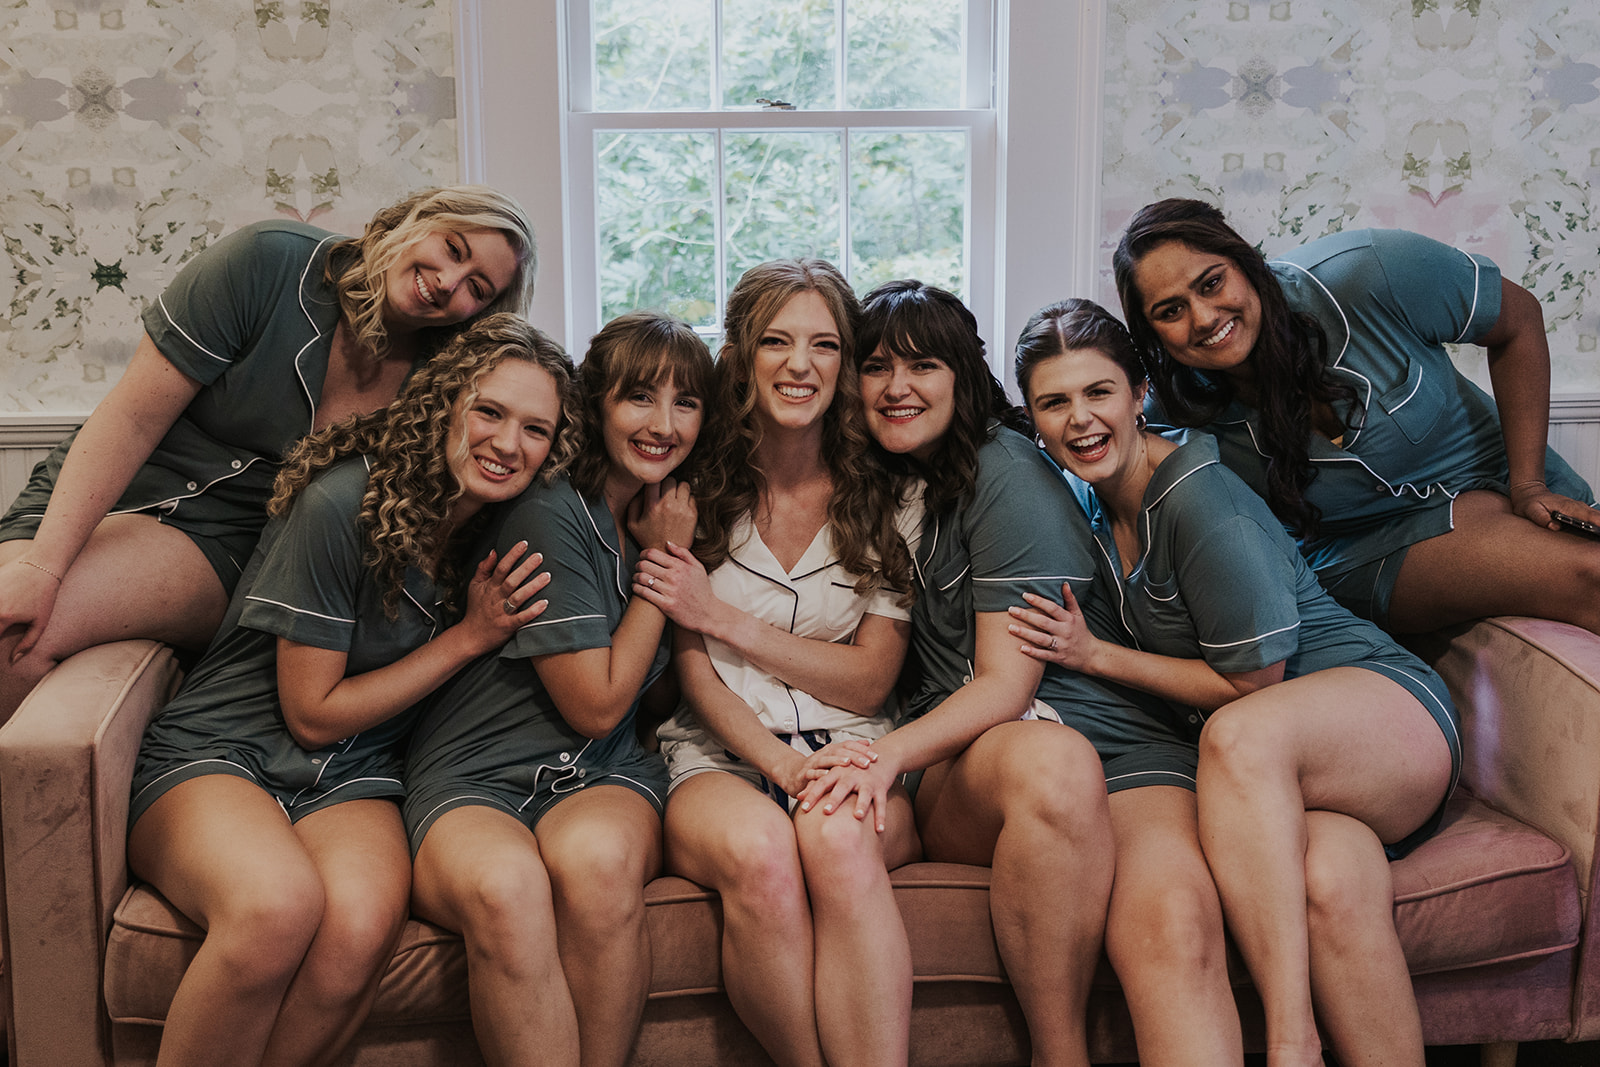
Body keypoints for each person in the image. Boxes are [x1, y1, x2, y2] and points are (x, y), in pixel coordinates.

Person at [1009, 298, 1461, 1067]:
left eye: (1099, 392)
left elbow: (1255, 683)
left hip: (1379, 716)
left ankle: (1291, 1042)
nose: (1080, 419)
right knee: (1332, 886)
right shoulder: (1086, 500)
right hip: (1282, 782)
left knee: (1240, 736)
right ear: (1033, 416)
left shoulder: (1198, 497)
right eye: (1054, 402)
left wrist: (1097, 655)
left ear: (1139, 393)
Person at [125, 313, 575, 1067]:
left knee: (363, 924)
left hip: (357, 774)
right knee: (276, 906)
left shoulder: (492, 530)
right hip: (224, 752)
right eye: (490, 411)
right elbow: (311, 714)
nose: (508, 443)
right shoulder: (343, 501)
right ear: (442, 404)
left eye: (536, 429)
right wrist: (469, 636)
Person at [0, 184, 537, 718]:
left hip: (232, 543)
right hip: (103, 484)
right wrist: (42, 566)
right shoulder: (268, 261)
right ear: (416, 221)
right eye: (452, 249)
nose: (448, 283)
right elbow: (132, 419)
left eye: (478, 288)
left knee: (16, 642)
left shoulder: (447, 375)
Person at [805, 279, 1115, 1067]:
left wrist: (884, 758)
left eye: (925, 365)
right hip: (933, 754)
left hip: (1009, 737)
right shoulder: (879, 473)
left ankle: (1060, 1052)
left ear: (965, 377)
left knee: (1053, 763)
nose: (898, 387)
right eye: (877, 367)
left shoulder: (1003, 471)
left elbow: (1010, 686)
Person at [400, 310, 712, 1067]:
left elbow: (644, 707)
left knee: (600, 868)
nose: (663, 424)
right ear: (594, 403)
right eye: (639, 397)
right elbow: (598, 701)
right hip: (477, 773)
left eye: (686, 402)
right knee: (506, 888)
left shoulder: (647, 510)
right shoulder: (549, 512)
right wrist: (664, 564)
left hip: (599, 770)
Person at [636, 259, 921, 1067]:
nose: (801, 365)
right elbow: (695, 669)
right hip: (716, 755)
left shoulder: (891, 493)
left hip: (855, 747)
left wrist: (718, 614)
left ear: (846, 363)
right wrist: (779, 768)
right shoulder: (688, 485)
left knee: (835, 838)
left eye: (825, 344)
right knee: (763, 852)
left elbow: (870, 677)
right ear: (739, 354)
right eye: (777, 342)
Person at [1112, 197, 1600, 635]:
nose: (1203, 317)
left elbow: (1517, 320)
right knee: (1589, 575)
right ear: (1153, 332)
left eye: (1212, 282)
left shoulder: (1368, 271)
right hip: (1366, 553)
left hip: (1505, 484)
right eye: (1171, 311)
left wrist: (1530, 485)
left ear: (1245, 263)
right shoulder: (1170, 410)